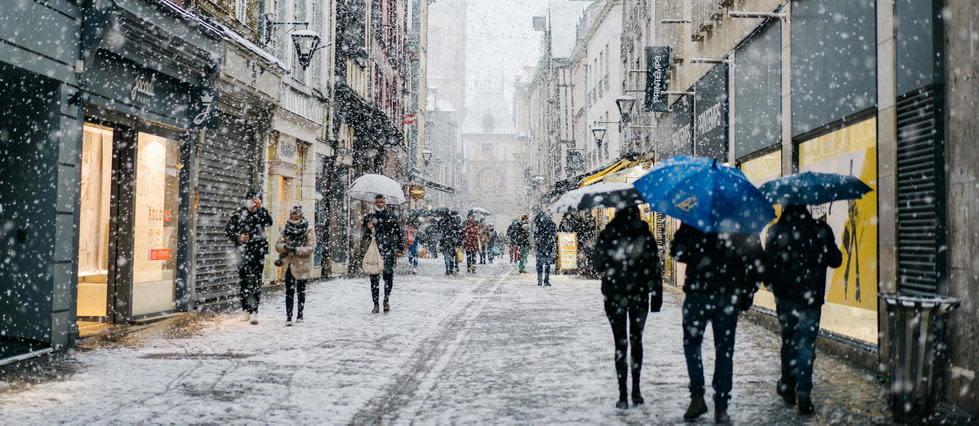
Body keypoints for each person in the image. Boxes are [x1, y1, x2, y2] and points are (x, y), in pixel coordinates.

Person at [670, 223, 763, 424]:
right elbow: (757, 261)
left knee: (692, 345)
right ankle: (721, 406)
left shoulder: (695, 218)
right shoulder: (740, 219)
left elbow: (677, 252)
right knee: (724, 350)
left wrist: (697, 250)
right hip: (727, 294)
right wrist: (747, 292)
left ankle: (697, 397)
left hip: (698, 292)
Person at [765, 205, 842, 416]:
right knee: (806, 344)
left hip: (786, 298)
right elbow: (836, 261)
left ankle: (788, 385)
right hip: (811, 299)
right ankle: (804, 393)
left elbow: (768, 266)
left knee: (789, 342)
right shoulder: (820, 229)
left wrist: (775, 286)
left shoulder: (776, 231)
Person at [592, 206, 662, 409]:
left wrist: (612, 262)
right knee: (636, 340)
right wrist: (656, 296)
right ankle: (636, 391)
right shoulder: (645, 235)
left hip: (615, 294)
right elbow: (654, 267)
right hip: (639, 294)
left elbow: (597, 264)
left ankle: (623, 394)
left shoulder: (608, 234)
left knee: (620, 343)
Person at [225, 188, 273, 325]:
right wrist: (239, 237)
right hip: (242, 252)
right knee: (244, 281)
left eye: (256, 199)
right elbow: (228, 230)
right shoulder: (238, 214)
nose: (253, 202)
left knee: (256, 281)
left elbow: (269, 223)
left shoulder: (262, 213)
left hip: (258, 252)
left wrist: (261, 209)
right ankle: (245, 309)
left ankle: (254, 311)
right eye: (251, 199)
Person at [362, 194, 405, 314]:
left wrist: (399, 249)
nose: (379, 204)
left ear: (385, 203)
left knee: (388, 277)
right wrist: (368, 228)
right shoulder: (369, 218)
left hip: (388, 250)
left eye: (381, 202)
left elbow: (399, 234)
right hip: (375, 251)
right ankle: (375, 304)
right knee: (374, 278)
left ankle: (386, 300)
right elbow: (364, 236)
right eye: (377, 202)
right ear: (374, 203)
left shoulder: (391, 216)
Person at [274, 205, 316, 326]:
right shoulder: (285, 228)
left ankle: (300, 314)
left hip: (302, 264)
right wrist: (285, 247)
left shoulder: (308, 229)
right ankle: (288, 316)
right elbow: (278, 245)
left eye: (297, 213)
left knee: (301, 290)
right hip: (289, 264)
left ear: (301, 215)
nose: (295, 215)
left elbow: (311, 247)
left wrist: (296, 250)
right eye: (293, 213)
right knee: (289, 291)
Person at [533, 211, 557, 286]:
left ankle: (541, 280)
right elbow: (554, 235)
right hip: (546, 247)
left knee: (541, 264)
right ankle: (545, 280)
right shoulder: (551, 224)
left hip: (542, 246)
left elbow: (535, 235)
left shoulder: (539, 224)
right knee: (546, 264)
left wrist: (538, 241)